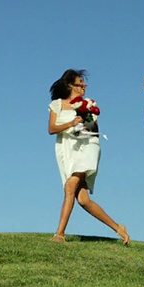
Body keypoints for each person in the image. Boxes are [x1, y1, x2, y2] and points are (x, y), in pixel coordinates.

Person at [47, 69, 130, 244]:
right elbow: (52, 129)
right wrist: (72, 123)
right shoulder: (57, 104)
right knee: (83, 200)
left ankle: (59, 234)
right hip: (67, 150)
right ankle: (119, 228)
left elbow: (95, 130)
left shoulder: (89, 104)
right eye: (80, 83)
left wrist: (86, 124)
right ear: (71, 85)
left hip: (87, 148)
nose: (84, 85)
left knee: (70, 187)